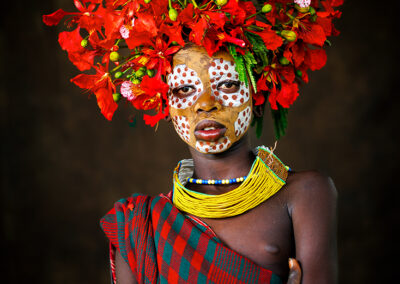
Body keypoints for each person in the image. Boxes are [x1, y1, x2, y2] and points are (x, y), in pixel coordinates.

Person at [43, 0, 342, 282]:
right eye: (184, 89)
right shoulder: (138, 228)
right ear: (166, 106)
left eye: (227, 84)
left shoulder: (305, 194)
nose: (205, 104)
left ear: (257, 97)